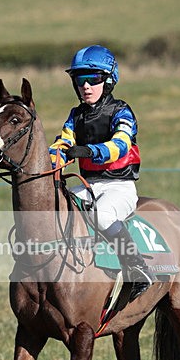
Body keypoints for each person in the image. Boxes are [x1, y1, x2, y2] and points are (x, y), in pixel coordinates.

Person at [49, 44, 153, 300]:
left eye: (93, 79)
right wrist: (51, 161)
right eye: (79, 79)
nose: (86, 86)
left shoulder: (121, 111)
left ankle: (138, 269)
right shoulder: (75, 116)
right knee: (53, 209)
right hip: (86, 185)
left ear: (108, 81)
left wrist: (87, 151)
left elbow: (120, 145)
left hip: (119, 187)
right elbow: (61, 144)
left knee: (103, 216)